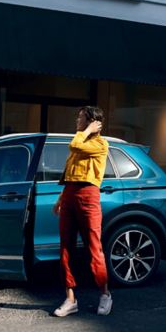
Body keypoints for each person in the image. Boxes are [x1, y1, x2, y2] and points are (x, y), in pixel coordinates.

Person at [52, 106, 112, 317]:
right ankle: (70, 299)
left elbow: (75, 144)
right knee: (65, 248)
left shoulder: (99, 144)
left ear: (91, 122)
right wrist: (61, 198)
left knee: (94, 248)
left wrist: (87, 131)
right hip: (70, 194)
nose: (77, 120)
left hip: (88, 196)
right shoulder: (80, 142)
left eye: (80, 118)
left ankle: (105, 294)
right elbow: (71, 173)